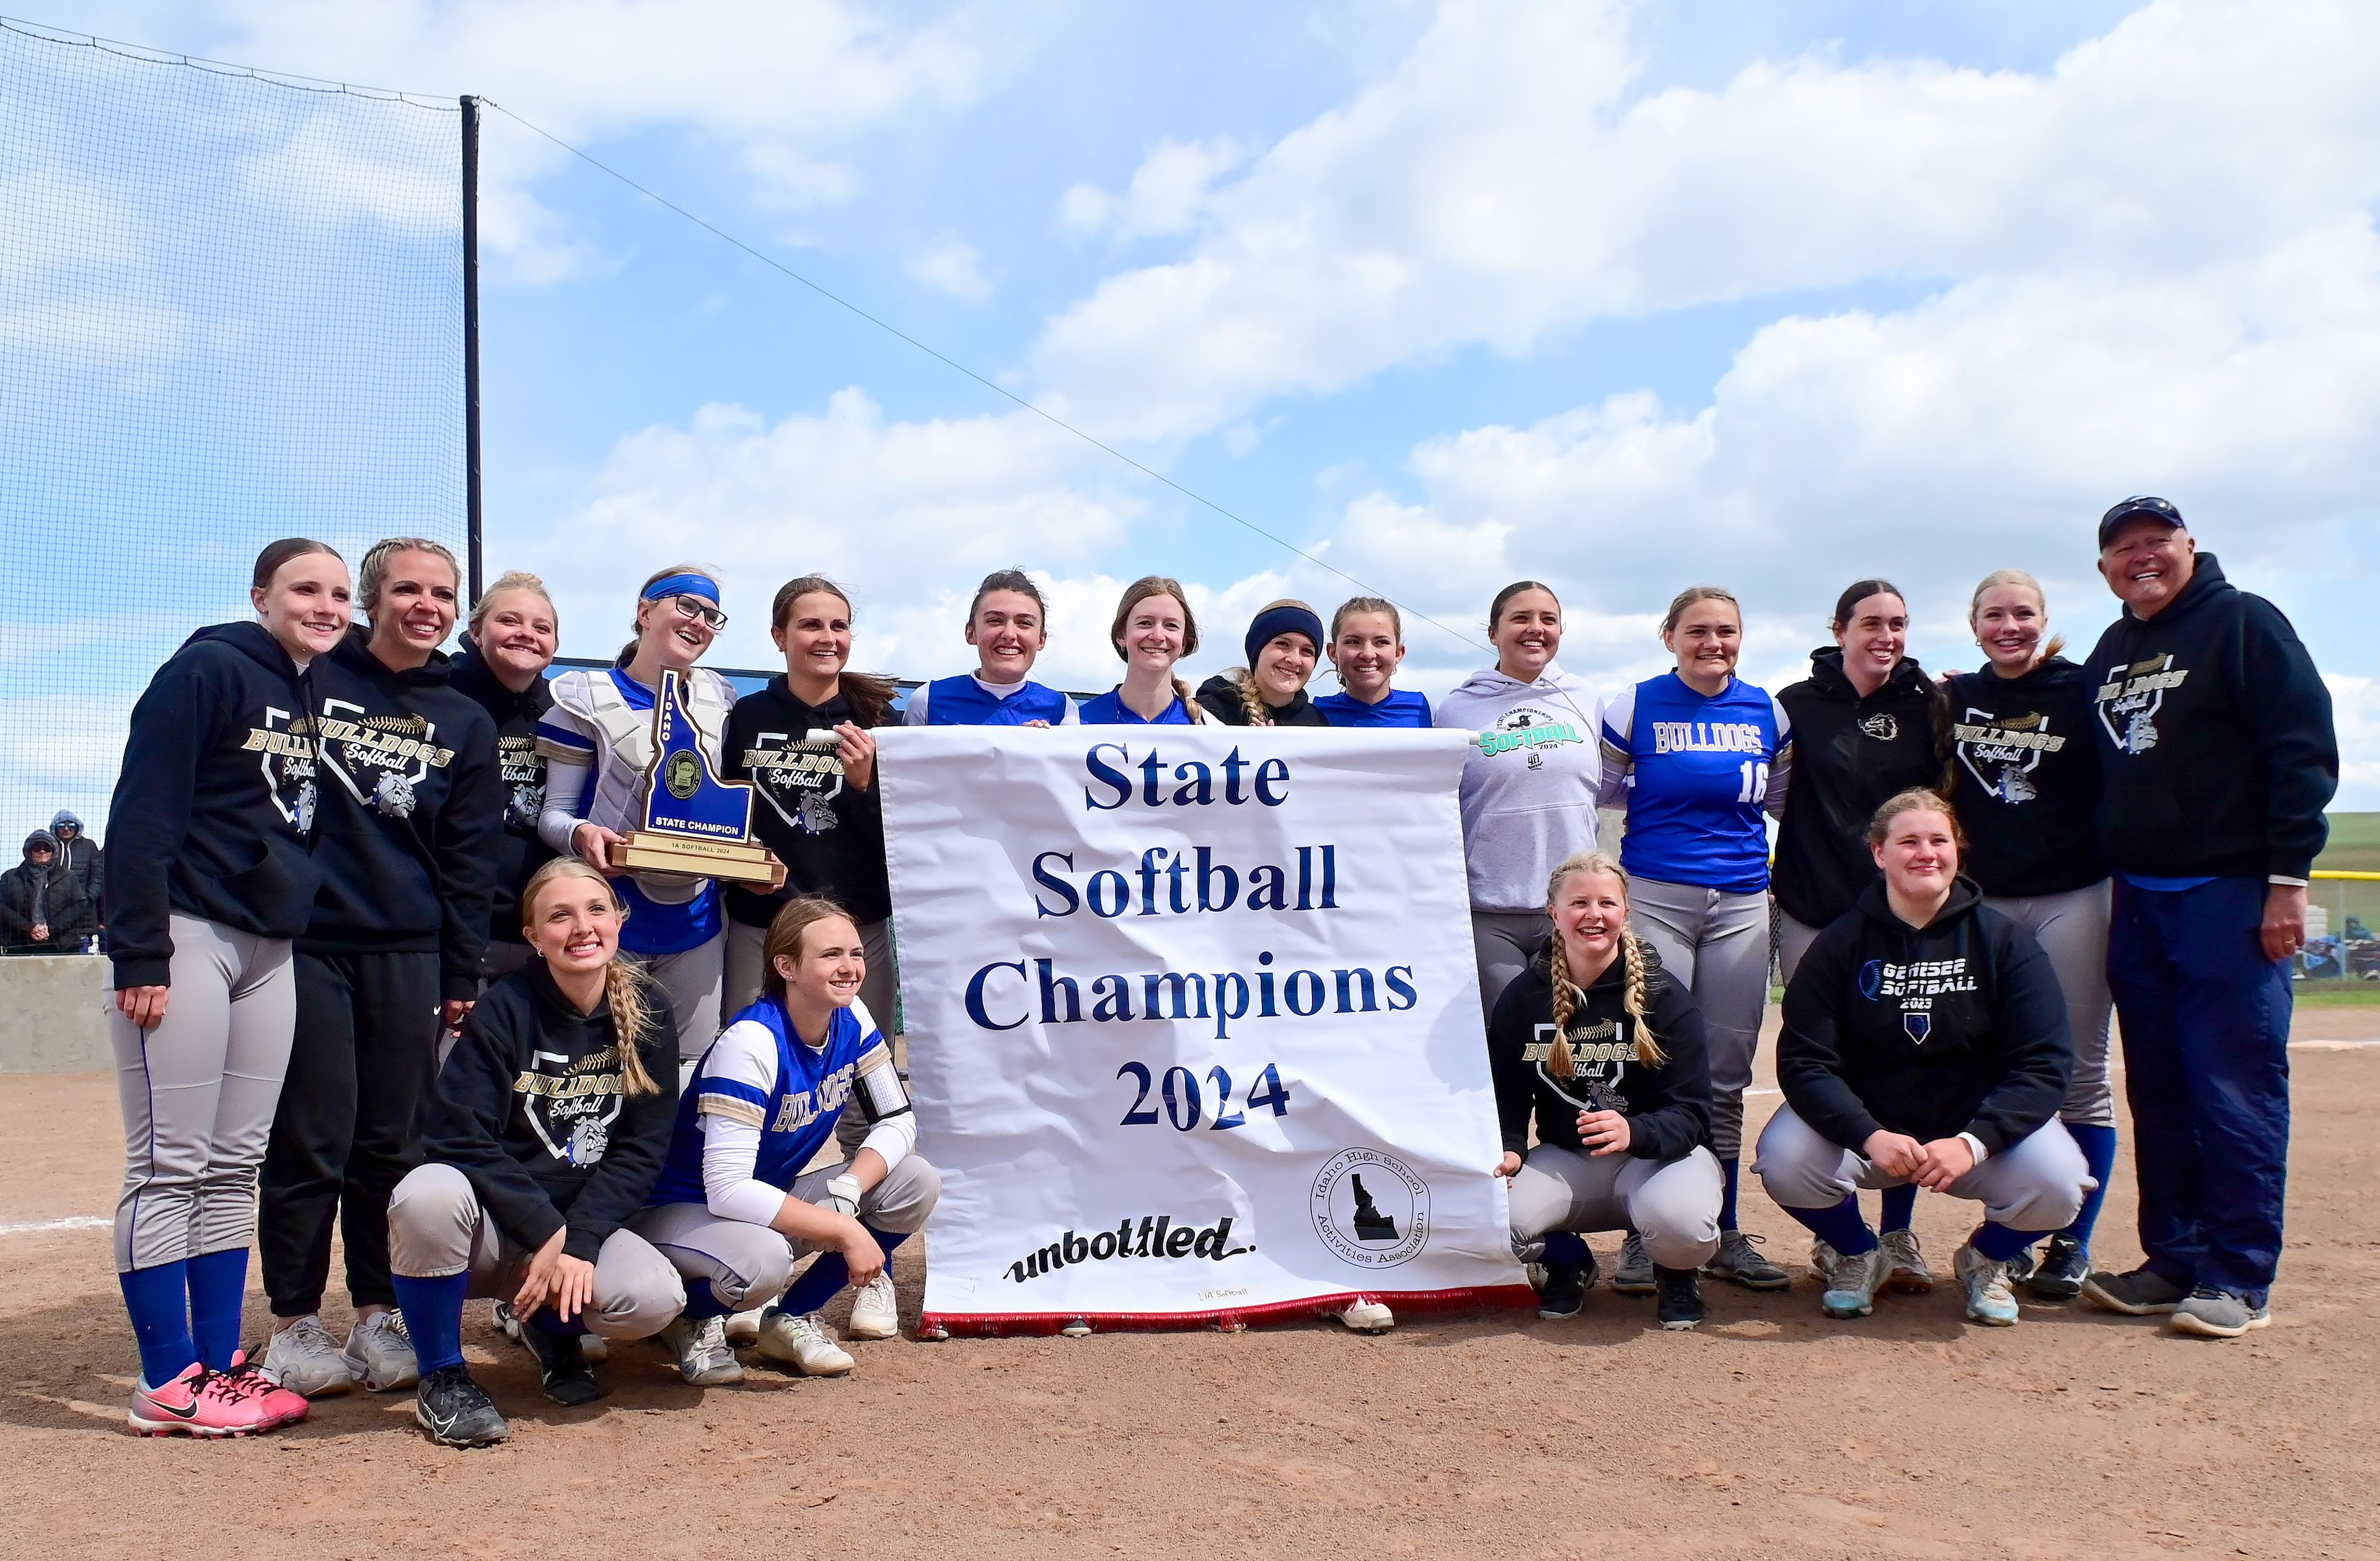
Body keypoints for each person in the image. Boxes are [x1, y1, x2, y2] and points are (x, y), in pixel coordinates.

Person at [2075, 497, 2337, 1339]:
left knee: (2234, 1085)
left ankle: (2238, 1276)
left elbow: (2301, 749)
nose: (2141, 557)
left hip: (2229, 890)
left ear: (2189, 545)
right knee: (2160, 1088)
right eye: (2123, 549)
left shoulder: (2245, 624)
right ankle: (2175, 1258)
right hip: (2139, 897)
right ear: (2105, 567)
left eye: (2157, 542)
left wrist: (2287, 879)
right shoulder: (2114, 649)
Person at [104, 536, 348, 1438]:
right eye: (304, 589)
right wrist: (138, 950)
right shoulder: (205, 670)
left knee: (234, 1163)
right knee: (169, 1162)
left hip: (267, 942)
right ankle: (166, 1378)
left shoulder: (310, 688)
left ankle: (215, 1365)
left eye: (336, 593)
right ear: (262, 595)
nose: (325, 605)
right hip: (185, 931)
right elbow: (143, 808)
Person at [258, 537, 503, 1399]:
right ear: (373, 599)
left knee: (392, 1147)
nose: (425, 604)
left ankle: (375, 1313)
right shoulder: (310, 680)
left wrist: (460, 974)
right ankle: (292, 1324)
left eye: (442, 592)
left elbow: (471, 860)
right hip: (311, 943)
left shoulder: (465, 719)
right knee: (311, 1138)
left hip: (411, 952)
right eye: (407, 589)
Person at [1755, 790, 2089, 1327]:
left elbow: (2044, 1063)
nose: (1926, 853)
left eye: (1939, 840)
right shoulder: (1841, 943)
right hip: (1873, 1132)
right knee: (1785, 1159)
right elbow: (1804, 1061)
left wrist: (1973, 1142)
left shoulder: (2005, 942)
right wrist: (1868, 1134)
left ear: (1958, 850)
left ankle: (1988, 1257)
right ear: (1879, 854)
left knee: (2060, 1181)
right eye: (1908, 841)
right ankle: (1858, 1252)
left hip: (1967, 1133)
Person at [389, 859, 685, 1447]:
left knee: (652, 1301)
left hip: (576, 1224)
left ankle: (550, 1328)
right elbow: (456, 1133)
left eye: (597, 909)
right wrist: (546, 1230)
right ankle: (443, 1375)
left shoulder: (650, 1009)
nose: (582, 927)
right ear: (532, 936)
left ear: (619, 921)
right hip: (499, 1226)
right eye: (559, 916)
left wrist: (578, 1241)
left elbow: (641, 1149)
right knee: (424, 1196)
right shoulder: (505, 1006)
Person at [633, 898, 940, 1385]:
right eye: (831, 955)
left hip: (755, 1205)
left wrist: (851, 1188)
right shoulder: (752, 1042)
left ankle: (790, 1318)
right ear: (786, 966)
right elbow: (727, 1189)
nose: (850, 968)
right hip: (675, 1209)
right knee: (764, 1260)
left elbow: (899, 1121)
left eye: (857, 954)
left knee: (914, 1180)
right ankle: (691, 1317)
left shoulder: (853, 1017)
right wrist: (846, 1230)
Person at [1595, 586, 1792, 1294]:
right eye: (1699, 631)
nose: (1715, 642)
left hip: (1741, 899)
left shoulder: (1767, 709)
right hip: (1656, 895)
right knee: (1651, 1060)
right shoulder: (1636, 704)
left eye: (1728, 631)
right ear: (1670, 636)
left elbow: (1779, 802)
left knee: (1727, 1073)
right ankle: (1644, 1234)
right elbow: (1609, 789)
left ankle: (1726, 1227)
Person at [1939, 570, 2115, 1302]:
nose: (2009, 625)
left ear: (2045, 620)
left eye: (2023, 613)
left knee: (2078, 1071)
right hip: (1985, 904)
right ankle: (2008, 1232)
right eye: (1994, 614)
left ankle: (2071, 1241)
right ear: (1973, 623)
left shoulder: (2081, 689)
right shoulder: (1955, 698)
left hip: (2073, 892)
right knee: (1986, 1066)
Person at [1771, 578, 1949, 1289]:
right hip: (1815, 909)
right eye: (1871, 622)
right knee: (1822, 1059)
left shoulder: (1930, 704)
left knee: (1898, 1062)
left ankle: (1898, 1232)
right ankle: (1846, 1235)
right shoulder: (1797, 704)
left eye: (1898, 623)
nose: (1887, 636)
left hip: (1898, 919)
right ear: (1839, 628)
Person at [1490, 851, 1724, 1330]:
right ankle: (1569, 1260)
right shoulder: (1524, 996)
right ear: (1554, 913)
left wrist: (1634, 1130)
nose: (1593, 915)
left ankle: (1676, 1271)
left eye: (1606, 903)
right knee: (1491, 1217)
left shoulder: (1663, 994)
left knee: (1684, 1224)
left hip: (1658, 1159)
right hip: (1570, 1159)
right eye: (1578, 903)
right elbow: (1506, 1092)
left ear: (1626, 912)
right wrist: (1511, 1147)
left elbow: (1695, 1113)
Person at [537, 564, 741, 1065]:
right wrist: (583, 835)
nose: (699, 621)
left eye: (712, 616)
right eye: (687, 606)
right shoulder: (584, 698)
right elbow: (554, 815)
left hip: (697, 919)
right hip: (610, 917)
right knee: (605, 1068)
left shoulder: (721, 700)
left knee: (690, 1071)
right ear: (645, 612)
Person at [1434, 582, 1607, 1020]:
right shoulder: (1456, 709)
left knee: (1574, 1039)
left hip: (1571, 909)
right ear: (1493, 632)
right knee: (1510, 1039)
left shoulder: (1586, 699)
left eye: (1548, 620)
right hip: (1490, 909)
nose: (1535, 629)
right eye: (1520, 619)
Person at [449, 571, 560, 988]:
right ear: (476, 631)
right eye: (510, 621)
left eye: (541, 627)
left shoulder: (566, 713)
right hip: (454, 930)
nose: (526, 634)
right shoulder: (443, 697)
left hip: (535, 932)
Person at [902, 568, 1078, 727]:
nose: (1009, 634)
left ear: (1041, 639)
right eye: (995, 621)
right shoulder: (928, 701)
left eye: (1024, 623)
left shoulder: (1062, 711)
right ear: (971, 633)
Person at [1077, 575, 1210, 725]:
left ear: (1184, 642)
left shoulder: (1210, 727)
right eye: (1145, 623)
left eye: (1171, 625)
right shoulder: (1077, 723)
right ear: (1122, 635)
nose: (1158, 636)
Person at [1196, 599, 1333, 727]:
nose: (1295, 659)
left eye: (1307, 651)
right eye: (1283, 644)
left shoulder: (1317, 722)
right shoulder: (1209, 711)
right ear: (1257, 650)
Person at [1314, 597, 1431, 728]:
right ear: (1333, 652)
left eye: (1381, 642)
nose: (1368, 654)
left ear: (1398, 653)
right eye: (1353, 642)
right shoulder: (1315, 715)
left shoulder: (1422, 709)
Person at [1, 829, 95, 954]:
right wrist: (29, 928)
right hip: (20, 945)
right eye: (37, 848)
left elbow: (79, 904)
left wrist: (51, 928)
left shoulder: (68, 877)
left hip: (62, 945)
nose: (42, 851)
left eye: (47, 848)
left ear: (54, 852)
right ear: (29, 851)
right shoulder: (10, 877)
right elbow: (2, 907)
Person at [48, 810, 102, 939]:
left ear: (78, 827)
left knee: (83, 951)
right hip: (54, 909)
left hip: (84, 911)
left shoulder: (89, 846)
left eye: (71, 825)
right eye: (61, 825)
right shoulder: (48, 846)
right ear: (55, 827)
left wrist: (88, 898)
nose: (66, 829)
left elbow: (98, 875)